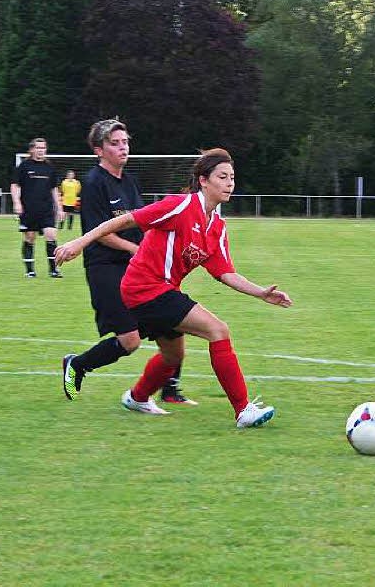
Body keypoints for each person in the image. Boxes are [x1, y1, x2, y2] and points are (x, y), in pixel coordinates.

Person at [55, 148, 291, 429]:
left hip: (162, 290)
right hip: (144, 287)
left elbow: (225, 272)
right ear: (204, 180)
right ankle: (243, 410)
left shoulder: (217, 226)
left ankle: (137, 397)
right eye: (222, 177)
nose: (230, 183)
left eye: (232, 178)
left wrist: (261, 293)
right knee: (218, 330)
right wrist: (80, 242)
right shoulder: (180, 206)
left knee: (172, 356)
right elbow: (126, 220)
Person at [60, 119, 196, 405]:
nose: (123, 148)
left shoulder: (130, 181)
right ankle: (78, 365)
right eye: (115, 143)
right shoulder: (94, 182)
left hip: (138, 267)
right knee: (130, 341)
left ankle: (170, 390)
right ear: (99, 150)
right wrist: (137, 250)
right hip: (106, 268)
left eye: (125, 142)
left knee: (172, 319)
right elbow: (99, 233)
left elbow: (142, 221)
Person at [10, 137, 62, 278]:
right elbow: (15, 185)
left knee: (51, 236)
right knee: (30, 238)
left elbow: (54, 189)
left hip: (46, 210)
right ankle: (30, 270)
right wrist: (16, 202)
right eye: (38, 148)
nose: (41, 151)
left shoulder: (50, 168)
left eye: (43, 148)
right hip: (28, 210)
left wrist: (60, 208)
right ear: (32, 149)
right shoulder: (24, 167)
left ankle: (53, 270)